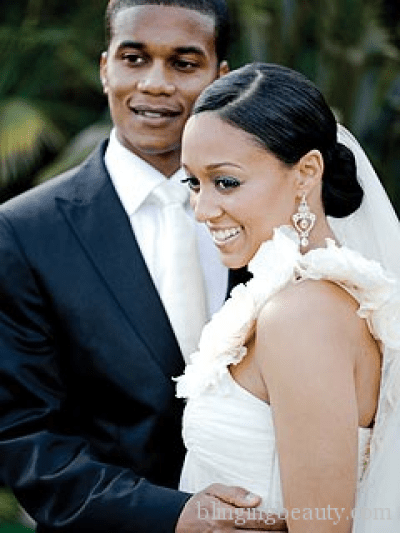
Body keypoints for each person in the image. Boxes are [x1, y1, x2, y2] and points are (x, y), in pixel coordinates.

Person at [0, 3, 273, 532]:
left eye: (183, 63)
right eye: (134, 58)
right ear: (106, 68)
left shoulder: (272, 212)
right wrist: (171, 515)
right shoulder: (24, 233)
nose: (155, 83)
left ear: (221, 78)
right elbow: (25, 438)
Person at [176, 62, 400, 532]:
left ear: (306, 173)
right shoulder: (300, 297)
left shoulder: (303, 315)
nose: (202, 209)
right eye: (193, 182)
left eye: (226, 182)